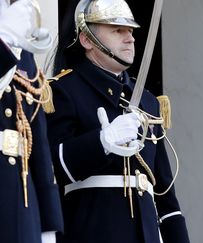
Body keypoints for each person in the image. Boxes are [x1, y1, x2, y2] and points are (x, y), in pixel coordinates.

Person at [46, 0, 190, 242]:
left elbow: (165, 195)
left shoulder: (148, 101)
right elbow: (53, 168)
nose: (130, 38)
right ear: (87, 40)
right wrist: (101, 142)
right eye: (117, 30)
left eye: (130, 31)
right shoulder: (64, 91)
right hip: (93, 230)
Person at [0, 0, 63, 242]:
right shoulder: (10, 32)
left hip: (21, 203)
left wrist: (48, 224)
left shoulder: (20, 37)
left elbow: (35, 139)